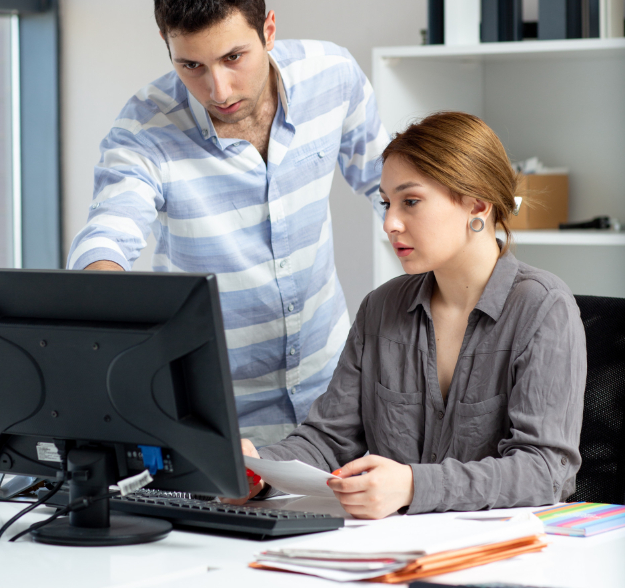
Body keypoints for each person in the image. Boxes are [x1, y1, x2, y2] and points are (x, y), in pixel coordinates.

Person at [67, 0, 388, 447]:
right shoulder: (145, 129)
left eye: (233, 57)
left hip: (336, 401)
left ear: (270, 29)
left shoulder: (333, 76)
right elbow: (107, 236)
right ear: (166, 45)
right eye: (191, 65)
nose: (217, 89)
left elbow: (387, 185)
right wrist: (103, 305)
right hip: (216, 417)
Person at [239, 111, 587, 516]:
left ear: (477, 203)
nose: (389, 223)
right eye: (387, 203)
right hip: (392, 546)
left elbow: (545, 471)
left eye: (411, 202)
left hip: (498, 552)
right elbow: (329, 440)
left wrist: (412, 485)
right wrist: (258, 468)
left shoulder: (543, 308)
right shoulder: (381, 308)